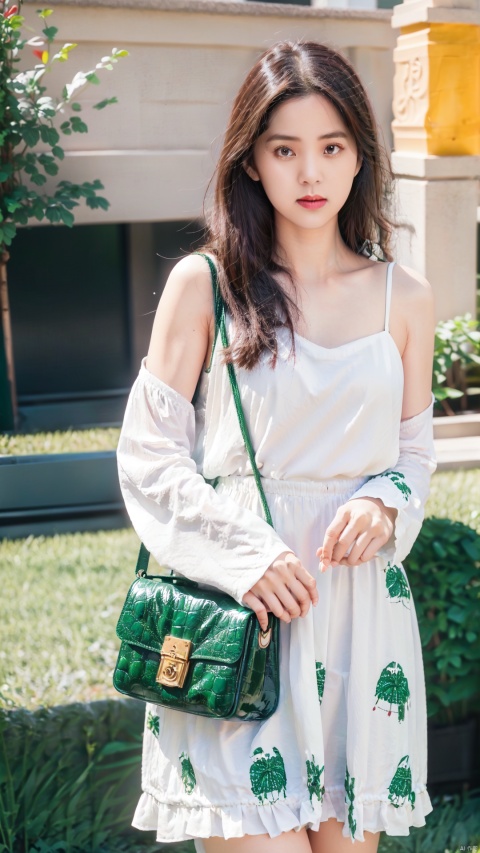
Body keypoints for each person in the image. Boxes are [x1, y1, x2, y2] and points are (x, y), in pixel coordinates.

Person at [116, 40, 437, 853]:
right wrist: (243, 554)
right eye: (284, 149)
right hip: (240, 618)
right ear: (250, 161)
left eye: (331, 147)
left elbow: (415, 457)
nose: (310, 173)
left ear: (361, 155)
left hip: (358, 621)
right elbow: (149, 456)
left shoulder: (405, 298)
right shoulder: (206, 285)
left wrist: (383, 501)